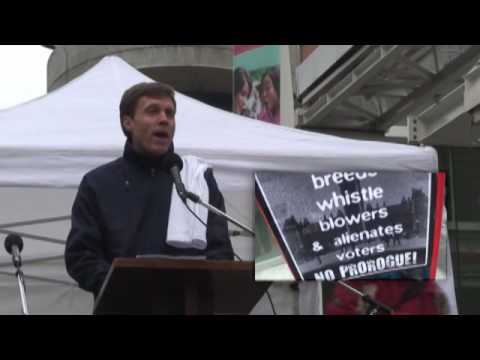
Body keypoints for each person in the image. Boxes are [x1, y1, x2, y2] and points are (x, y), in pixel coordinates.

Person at [65, 82, 234, 299]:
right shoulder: (98, 183)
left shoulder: (197, 178)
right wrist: (121, 285)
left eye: (169, 113)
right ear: (128, 122)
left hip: (191, 305)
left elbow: (221, 252)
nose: (164, 119)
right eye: (153, 111)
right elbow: (80, 255)